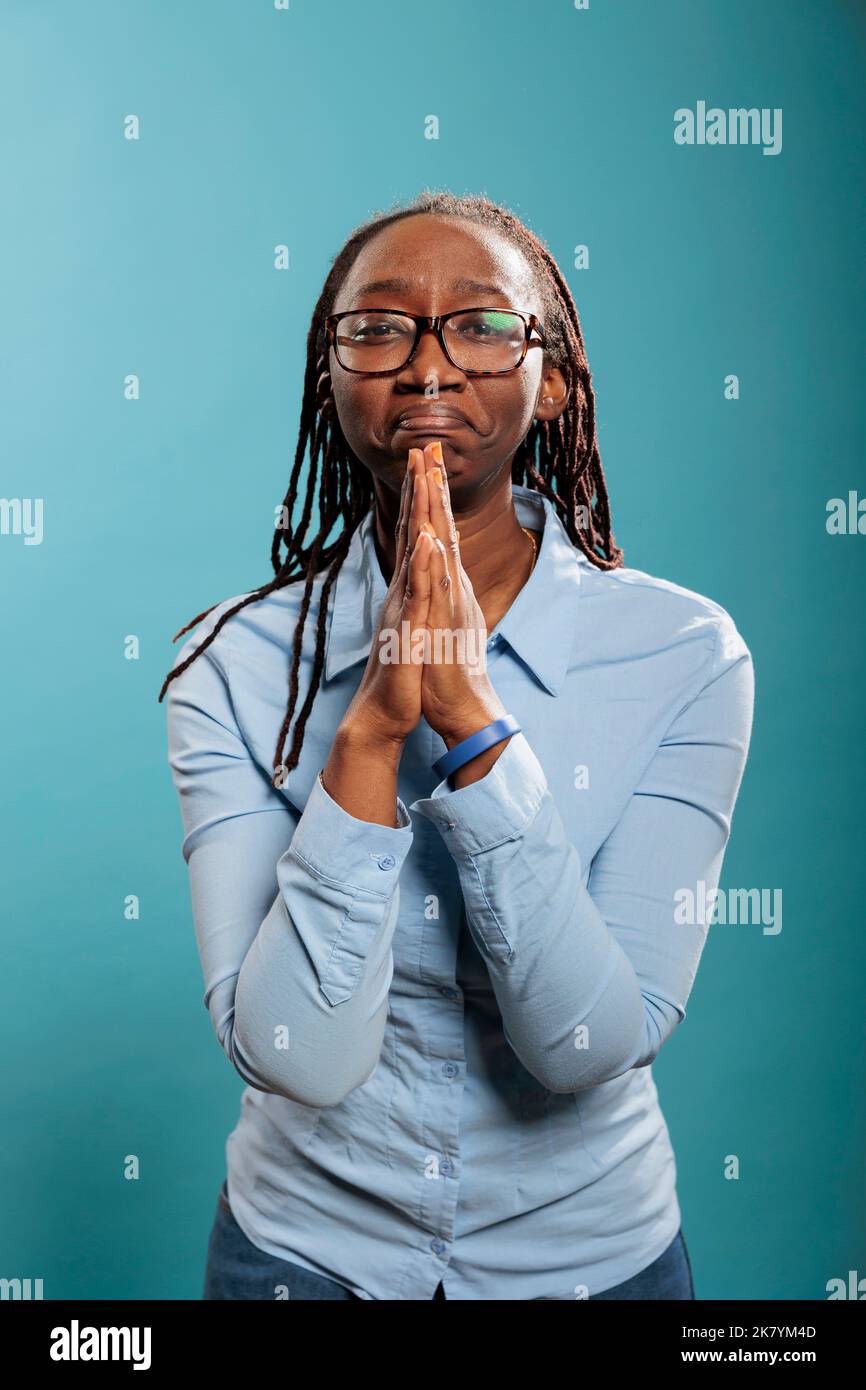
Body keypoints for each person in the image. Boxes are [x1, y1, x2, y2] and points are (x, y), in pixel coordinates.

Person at [161, 190, 754, 1301]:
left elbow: (584, 1045)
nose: (427, 366)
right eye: (376, 328)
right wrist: (375, 728)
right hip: (304, 1255)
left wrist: (474, 727)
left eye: (481, 325)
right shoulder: (230, 664)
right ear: (327, 375)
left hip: (587, 1262)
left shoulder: (684, 655)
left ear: (555, 379)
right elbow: (296, 1052)